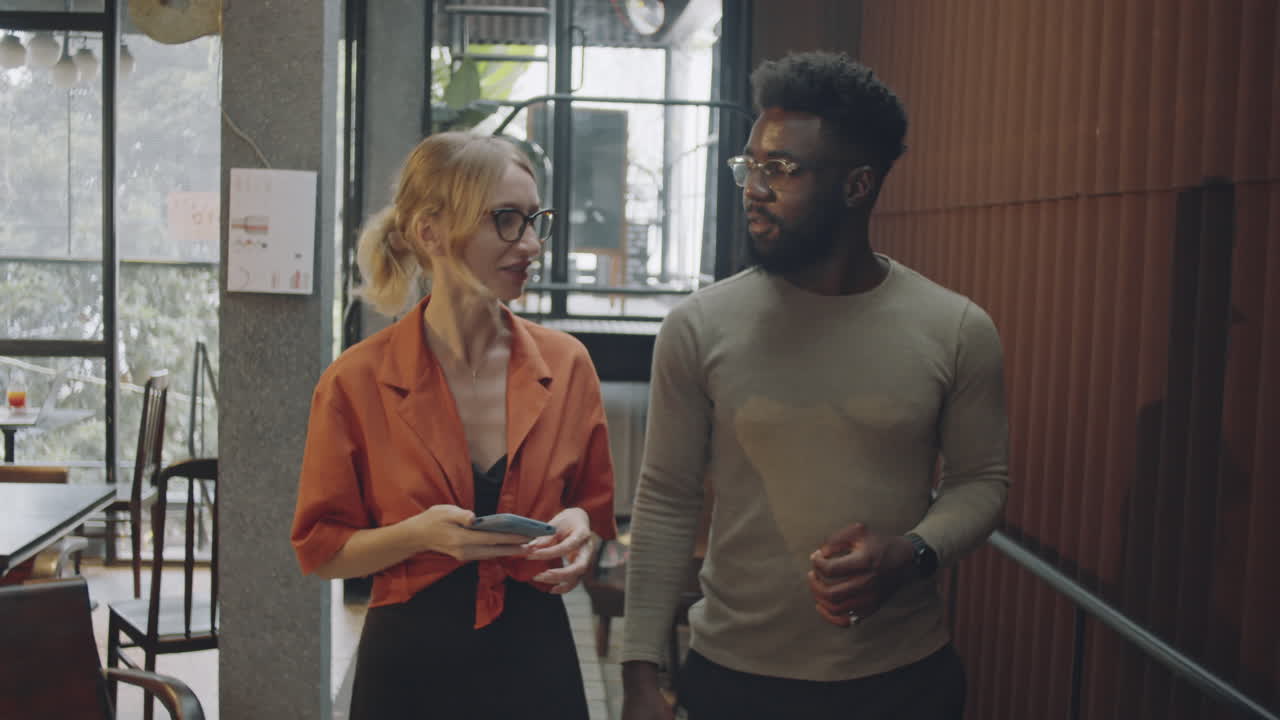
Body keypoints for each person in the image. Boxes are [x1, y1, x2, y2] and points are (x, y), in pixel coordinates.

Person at [620, 51, 1009, 720]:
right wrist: (639, 670)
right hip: (734, 680)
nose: (753, 187)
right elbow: (665, 500)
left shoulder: (955, 328)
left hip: (902, 680)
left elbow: (983, 482)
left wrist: (913, 552)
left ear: (857, 185)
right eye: (751, 165)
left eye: (782, 169)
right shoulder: (699, 327)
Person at [290, 131, 616, 719]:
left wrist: (577, 528)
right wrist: (421, 535)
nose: (532, 245)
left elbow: (589, 512)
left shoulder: (568, 366)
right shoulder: (354, 382)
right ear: (428, 231)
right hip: (410, 669)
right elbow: (324, 553)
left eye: (534, 220)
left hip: (536, 663)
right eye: (506, 220)